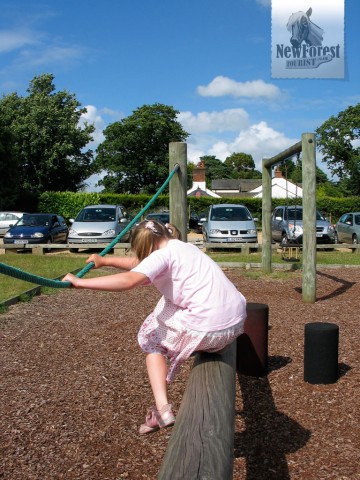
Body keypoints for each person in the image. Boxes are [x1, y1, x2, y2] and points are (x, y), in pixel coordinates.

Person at [62, 220, 247, 435]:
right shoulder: (182, 246)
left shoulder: (162, 256)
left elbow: (130, 279)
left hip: (208, 329)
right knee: (165, 306)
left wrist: (81, 283)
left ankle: (163, 408)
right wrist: (104, 261)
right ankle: (194, 352)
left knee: (150, 337)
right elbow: (141, 264)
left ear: (145, 248)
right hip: (234, 325)